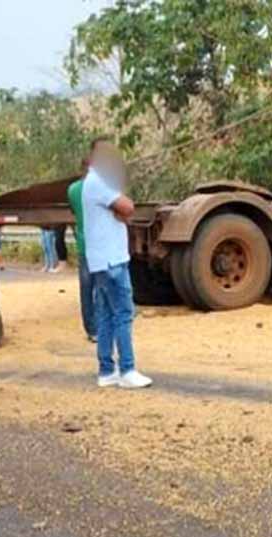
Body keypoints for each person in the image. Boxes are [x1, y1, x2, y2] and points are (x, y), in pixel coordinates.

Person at [82, 141, 152, 389]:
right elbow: (128, 207)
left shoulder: (93, 183)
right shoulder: (100, 182)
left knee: (106, 315)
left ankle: (106, 370)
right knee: (123, 313)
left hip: (102, 260)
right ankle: (127, 369)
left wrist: (121, 210)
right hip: (112, 259)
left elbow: (123, 210)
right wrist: (122, 209)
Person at [68, 156, 97, 342]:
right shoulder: (97, 189)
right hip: (99, 244)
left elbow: (73, 213)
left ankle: (91, 329)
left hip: (83, 244)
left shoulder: (72, 190)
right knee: (102, 288)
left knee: (86, 288)